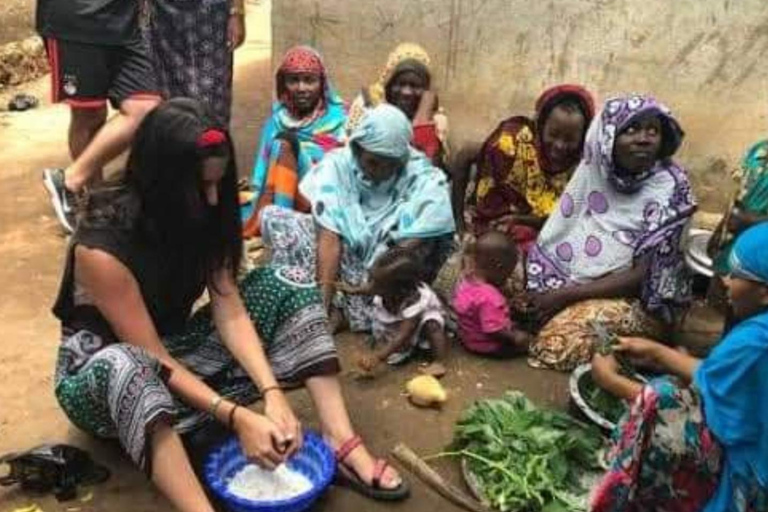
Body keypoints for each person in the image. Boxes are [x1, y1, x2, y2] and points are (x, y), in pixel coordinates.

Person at [51, 99, 409, 511]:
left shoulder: (207, 209)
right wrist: (235, 416)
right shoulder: (101, 246)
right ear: (158, 180)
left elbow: (229, 306)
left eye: (216, 184)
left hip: (177, 354)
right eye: (198, 187)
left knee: (287, 280)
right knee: (129, 364)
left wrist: (270, 392)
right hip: (106, 383)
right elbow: (150, 353)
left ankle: (340, 440)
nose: (211, 198)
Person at [589, 222, 768, 512]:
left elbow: (708, 418)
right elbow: (718, 375)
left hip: (748, 475)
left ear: (764, 293)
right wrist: (658, 353)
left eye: (735, 275)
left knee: (663, 394)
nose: (724, 280)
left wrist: (610, 380)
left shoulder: (754, 342)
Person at [525, 94, 696, 372]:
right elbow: (571, 224)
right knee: (498, 284)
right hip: (581, 280)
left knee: (552, 345)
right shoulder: (596, 169)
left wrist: (563, 296)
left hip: (639, 301)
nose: (644, 139)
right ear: (607, 138)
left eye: (652, 130)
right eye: (631, 130)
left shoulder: (670, 191)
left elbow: (641, 277)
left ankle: (657, 354)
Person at [261, 104, 455, 332]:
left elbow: (407, 249)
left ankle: (361, 311)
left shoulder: (423, 176)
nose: (380, 171)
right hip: (346, 256)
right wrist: (321, 307)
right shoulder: (338, 165)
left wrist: (377, 275)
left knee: (407, 247)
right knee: (278, 219)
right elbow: (329, 236)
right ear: (358, 148)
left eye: (389, 164)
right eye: (372, 162)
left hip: (388, 268)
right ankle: (328, 307)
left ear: (401, 158)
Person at [37, 0, 161, 233]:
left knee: (146, 107)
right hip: (77, 23)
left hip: (125, 25)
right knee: (89, 114)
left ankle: (70, 180)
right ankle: (93, 200)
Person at [460, 85, 595, 250]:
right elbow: (464, 155)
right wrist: (459, 224)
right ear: (540, 125)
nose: (559, 145)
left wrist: (521, 220)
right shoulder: (511, 143)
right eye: (553, 134)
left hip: (543, 233)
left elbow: (568, 220)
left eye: (570, 139)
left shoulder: (584, 167)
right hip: (494, 224)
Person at [242, 46, 347, 238]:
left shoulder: (340, 118)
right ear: (284, 84)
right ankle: (282, 225)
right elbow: (261, 176)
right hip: (282, 194)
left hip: (324, 201)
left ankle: (282, 231)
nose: (301, 88)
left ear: (321, 83)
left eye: (309, 80)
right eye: (294, 80)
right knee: (284, 145)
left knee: (285, 144)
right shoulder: (276, 121)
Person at [144, 0, 246, 127]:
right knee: (169, 107)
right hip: (163, 17)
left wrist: (236, 11)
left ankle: (212, 144)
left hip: (212, 16)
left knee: (212, 105)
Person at [346, 43, 448, 168]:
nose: (406, 92)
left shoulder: (434, 118)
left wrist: (423, 119)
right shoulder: (368, 106)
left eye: (415, 86)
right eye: (400, 84)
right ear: (389, 83)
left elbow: (431, 166)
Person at [355, 248, 449, 377]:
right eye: (371, 279)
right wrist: (351, 289)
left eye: (376, 284)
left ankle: (440, 362)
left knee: (432, 325)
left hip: (418, 323)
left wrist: (379, 357)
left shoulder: (415, 301)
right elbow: (368, 289)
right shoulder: (386, 290)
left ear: (400, 289)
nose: (370, 286)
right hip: (402, 318)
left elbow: (403, 335)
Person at [452, 231, 531, 357]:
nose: (508, 277)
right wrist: (515, 336)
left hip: (467, 337)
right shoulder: (490, 297)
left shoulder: (465, 281)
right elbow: (494, 329)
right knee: (526, 340)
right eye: (508, 272)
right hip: (487, 346)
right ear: (499, 268)